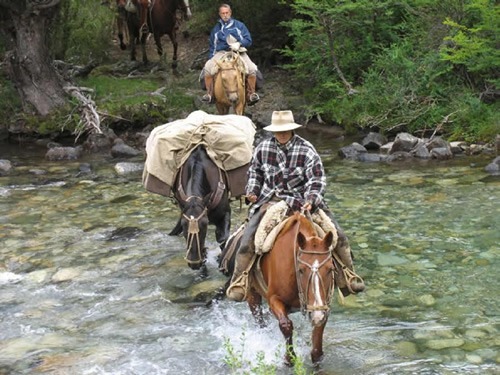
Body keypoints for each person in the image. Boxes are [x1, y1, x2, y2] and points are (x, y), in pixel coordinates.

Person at [226, 110, 365, 302]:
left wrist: (312, 198)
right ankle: (240, 280)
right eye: (279, 131)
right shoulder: (263, 148)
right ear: (273, 131)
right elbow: (254, 173)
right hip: (271, 201)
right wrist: (253, 191)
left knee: (338, 235)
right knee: (248, 239)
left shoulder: (306, 149)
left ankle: (348, 275)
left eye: (286, 130)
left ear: (292, 130)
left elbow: (317, 178)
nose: (282, 134)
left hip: (303, 202)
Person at [201, 3, 260, 105]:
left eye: (227, 13)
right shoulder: (216, 29)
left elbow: (248, 40)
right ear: (220, 14)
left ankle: (251, 94)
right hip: (221, 52)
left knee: (252, 68)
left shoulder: (239, 25)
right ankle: (209, 94)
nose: (225, 15)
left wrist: (239, 43)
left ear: (230, 13)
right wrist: (211, 58)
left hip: (238, 51)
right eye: (223, 13)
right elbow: (212, 46)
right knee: (207, 68)